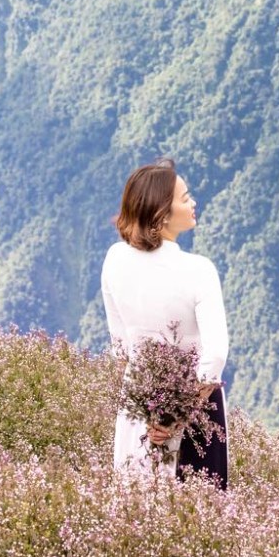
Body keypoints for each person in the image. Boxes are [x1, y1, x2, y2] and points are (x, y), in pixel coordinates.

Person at [102, 159, 230, 487]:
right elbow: (214, 355)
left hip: (139, 406)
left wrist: (151, 406)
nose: (193, 203)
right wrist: (177, 416)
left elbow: (121, 349)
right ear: (162, 212)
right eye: (185, 198)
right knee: (198, 517)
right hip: (198, 415)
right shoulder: (199, 270)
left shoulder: (115, 260)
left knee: (136, 506)